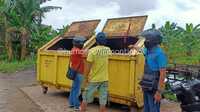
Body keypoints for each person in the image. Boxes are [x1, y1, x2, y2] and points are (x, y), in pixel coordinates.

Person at [130, 29, 167, 112]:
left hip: (154, 87)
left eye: (146, 40)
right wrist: (133, 47)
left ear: (152, 41)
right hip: (146, 85)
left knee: (153, 109)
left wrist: (159, 92)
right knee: (146, 109)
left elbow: (162, 75)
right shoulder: (148, 51)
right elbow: (140, 49)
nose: (145, 42)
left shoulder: (160, 54)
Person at [80, 32, 112, 112]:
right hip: (105, 79)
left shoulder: (92, 51)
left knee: (85, 98)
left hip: (94, 79)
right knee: (103, 101)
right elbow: (110, 55)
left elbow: (87, 68)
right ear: (105, 41)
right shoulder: (108, 50)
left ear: (96, 41)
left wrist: (85, 79)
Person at [69, 36, 86, 111]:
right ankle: (76, 106)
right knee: (77, 89)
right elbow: (86, 53)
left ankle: (71, 103)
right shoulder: (78, 51)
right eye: (82, 43)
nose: (83, 44)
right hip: (79, 72)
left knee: (73, 88)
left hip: (74, 71)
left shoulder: (73, 49)